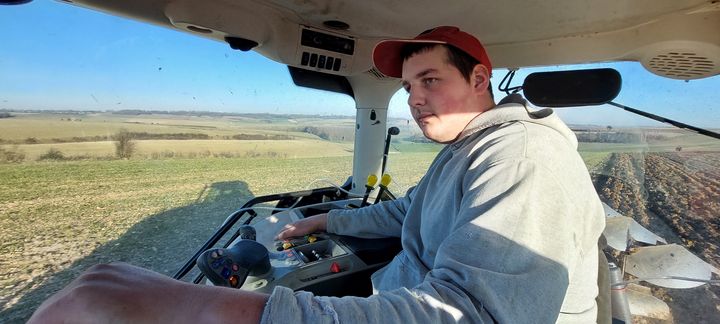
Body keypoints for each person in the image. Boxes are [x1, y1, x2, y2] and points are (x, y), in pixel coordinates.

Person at [29, 26, 605, 323]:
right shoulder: (466, 151)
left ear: (480, 78)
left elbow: (472, 316)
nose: (415, 100)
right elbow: (405, 211)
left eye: (431, 80)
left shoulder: (523, 159)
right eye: (408, 88)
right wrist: (324, 220)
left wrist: (203, 308)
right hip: (394, 293)